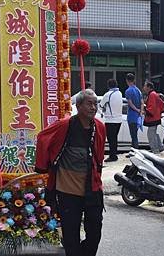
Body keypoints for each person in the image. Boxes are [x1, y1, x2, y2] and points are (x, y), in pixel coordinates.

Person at [35, 89, 106, 256]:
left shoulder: (100, 127)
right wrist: (46, 165)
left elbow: (99, 155)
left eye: (95, 104)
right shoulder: (65, 125)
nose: (93, 107)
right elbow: (43, 137)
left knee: (95, 230)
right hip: (67, 190)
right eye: (89, 103)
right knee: (70, 233)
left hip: (92, 188)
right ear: (78, 105)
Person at [99, 78, 123, 162]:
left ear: (108, 86)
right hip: (119, 120)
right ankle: (114, 154)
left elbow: (101, 105)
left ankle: (112, 156)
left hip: (110, 120)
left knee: (111, 139)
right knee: (114, 138)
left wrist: (104, 109)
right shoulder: (119, 93)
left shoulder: (108, 94)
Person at [143, 81, 164, 154]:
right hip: (155, 117)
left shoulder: (152, 95)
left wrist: (145, 109)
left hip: (153, 117)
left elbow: (151, 108)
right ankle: (160, 147)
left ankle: (155, 149)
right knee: (153, 133)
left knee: (151, 134)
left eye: (145, 86)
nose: (144, 88)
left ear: (149, 87)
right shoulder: (153, 94)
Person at [124, 73, 143, 149]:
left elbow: (130, 103)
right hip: (138, 116)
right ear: (134, 80)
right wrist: (140, 111)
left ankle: (135, 151)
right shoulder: (138, 90)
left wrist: (137, 110)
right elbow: (142, 102)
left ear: (127, 80)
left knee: (133, 135)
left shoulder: (128, 91)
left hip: (132, 116)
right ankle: (133, 150)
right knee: (135, 134)